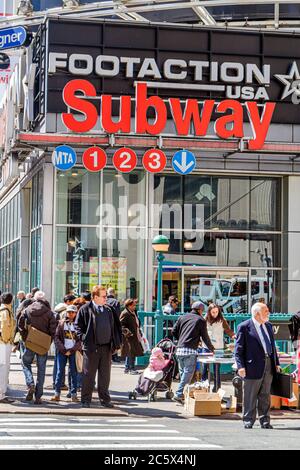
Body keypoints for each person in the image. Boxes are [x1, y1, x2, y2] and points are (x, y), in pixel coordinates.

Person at [235, 302, 281, 429]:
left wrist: (276, 363)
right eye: (266, 311)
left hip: (268, 364)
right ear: (257, 314)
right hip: (252, 366)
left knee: (265, 395)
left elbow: (272, 347)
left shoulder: (269, 326)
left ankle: (265, 420)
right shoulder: (244, 327)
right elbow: (238, 350)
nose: (268, 313)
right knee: (250, 395)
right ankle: (248, 420)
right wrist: (240, 367)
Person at [75, 285, 122, 408]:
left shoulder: (108, 310)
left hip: (106, 348)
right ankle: (85, 400)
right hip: (91, 348)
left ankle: (105, 400)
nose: (106, 298)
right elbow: (77, 327)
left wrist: (116, 343)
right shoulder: (85, 309)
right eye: (104, 296)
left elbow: (116, 327)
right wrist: (84, 338)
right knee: (88, 376)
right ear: (95, 297)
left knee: (105, 376)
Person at [18, 291, 57, 405]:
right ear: (44, 299)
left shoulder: (27, 310)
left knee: (25, 363)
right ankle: (38, 397)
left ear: (35, 299)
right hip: (43, 344)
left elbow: (20, 325)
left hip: (30, 342)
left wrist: (25, 338)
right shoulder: (49, 312)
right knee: (41, 370)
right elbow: (53, 329)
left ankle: (30, 384)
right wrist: (48, 341)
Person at [172, 301, 215, 403]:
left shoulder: (182, 317)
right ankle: (178, 394)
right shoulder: (200, 320)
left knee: (183, 374)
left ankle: (182, 395)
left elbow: (173, 331)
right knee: (188, 374)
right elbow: (205, 337)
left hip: (179, 350)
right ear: (200, 310)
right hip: (190, 350)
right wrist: (212, 348)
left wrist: (181, 339)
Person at [202, 303, 236, 392]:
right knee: (205, 367)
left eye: (216, 312)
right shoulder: (204, 320)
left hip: (218, 347)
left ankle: (217, 387)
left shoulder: (222, 320)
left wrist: (233, 336)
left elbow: (228, 330)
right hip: (206, 346)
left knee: (217, 368)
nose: (215, 314)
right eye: (213, 312)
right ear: (209, 312)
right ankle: (204, 386)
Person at [51, 305, 81, 403]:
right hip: (62, 351)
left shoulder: (78, 324)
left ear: (76, 313)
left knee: (73, 373)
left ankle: (73, 394)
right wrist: (63, 349)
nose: (70, 314)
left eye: (72, 312)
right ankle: (56, 394)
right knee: (60, 372)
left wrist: (72, 350)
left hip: (73, 352)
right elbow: (56, 337)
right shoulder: (61, 323)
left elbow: (80, 340)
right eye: (69, 312)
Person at [120, 299, 144, 375]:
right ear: (129, 305)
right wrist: (128, 333)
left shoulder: (133, 312)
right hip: (129, 336)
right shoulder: (125, 313)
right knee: (131, 352)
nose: (135, 306)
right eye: (133, 305)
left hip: (135, 335)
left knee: (131, 352)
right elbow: (121, 325)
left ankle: (127, 368)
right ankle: (131, 368)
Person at [0, 293, 16, 404]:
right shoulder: (5, 311)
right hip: (3, 343)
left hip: (3, 342)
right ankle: (1, 394)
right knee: (3, 368)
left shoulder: (4, 310)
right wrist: (7, 340)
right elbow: (5, 326)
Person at [107, 288, 121, 363]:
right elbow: (118, 314)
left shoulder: (104, 301)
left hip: (104, 323)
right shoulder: (116, 302)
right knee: (114, 339)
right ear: (114, 293)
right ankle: (114, 356)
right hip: (113, 323)